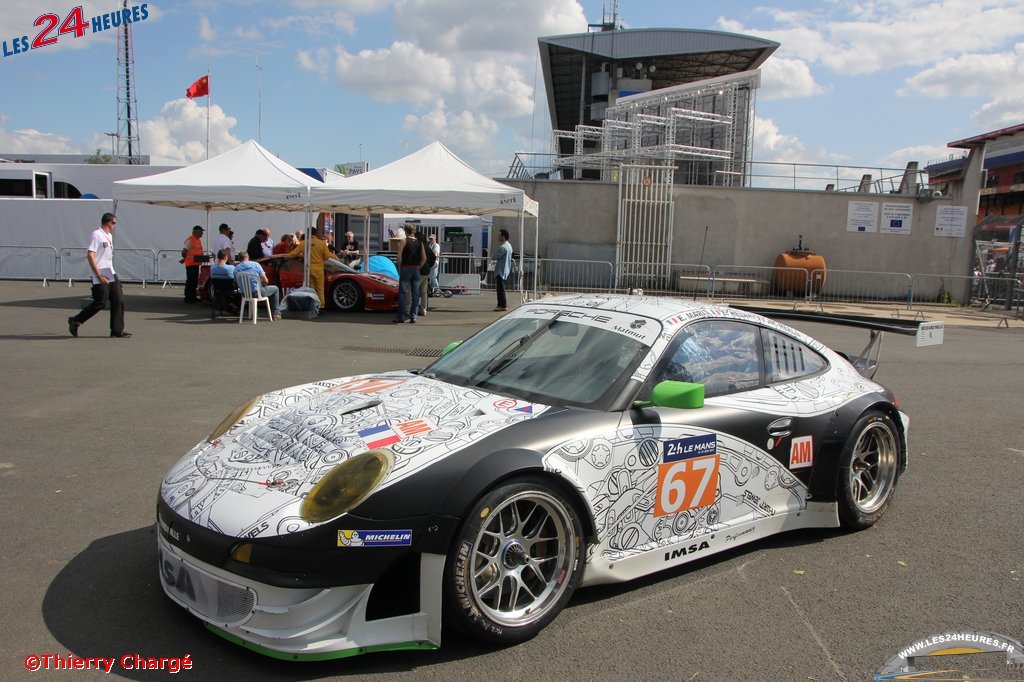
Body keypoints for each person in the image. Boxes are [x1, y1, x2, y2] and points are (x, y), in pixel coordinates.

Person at [68, 212, 131, 338]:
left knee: (118, 300)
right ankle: (76, 320)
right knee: (100, 302)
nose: (115, 226)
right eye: (114, 223)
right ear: (108, 222)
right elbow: (90, 255)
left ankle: (117, 330)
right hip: (100, 271)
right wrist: (98, 275)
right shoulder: (96, 235)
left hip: (110, 271)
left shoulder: (109, 236)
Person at [287, 223, 332, 307]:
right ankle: (321, 305)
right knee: (320, 289)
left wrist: (287, 255)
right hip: (319, 269)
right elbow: (327, 256)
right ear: (316, 234)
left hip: (308, 268)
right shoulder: (321, 243)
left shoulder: (304, 243)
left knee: (311, 289)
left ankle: (312, 305)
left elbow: (292, 254)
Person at [234, 251, 282, 320]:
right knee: (275, 289)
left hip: (245, 294)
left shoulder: (236, 268)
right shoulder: (256, 265)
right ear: (248, 257)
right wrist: (264, 284)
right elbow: (265, 280)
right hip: (257, 293)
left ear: (239, 258)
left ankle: (252, 314)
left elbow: (238, 283)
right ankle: (276, 313)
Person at [395, 224, 426, 323]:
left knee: (403, 293)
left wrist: (400, 268)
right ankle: (413, 316)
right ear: (413, 231)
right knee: (415, 294)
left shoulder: (404, 241)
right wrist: (418, 267)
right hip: (416, 269)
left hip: (405, 268)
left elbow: (399, 257)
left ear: (405, 231)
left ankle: (401, 316)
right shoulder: (419, 242)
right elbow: (424, 258)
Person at [181, 224, 205, 303]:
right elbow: (184, 251)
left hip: (195, 264)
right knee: (190, 281)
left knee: (194, 281)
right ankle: (188, 297)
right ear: (196, 231)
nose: (202, 233)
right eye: (201, 232)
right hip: (190, 264)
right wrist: (185, 258)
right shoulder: (190, 240)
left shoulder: (197, 240)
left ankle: (193, 296)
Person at [494, 228, 512, 312]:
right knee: (501, 288)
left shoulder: (503, 247)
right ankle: (500, 305)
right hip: (505, 269)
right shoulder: (509, 246)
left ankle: (503, 305)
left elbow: (495, 256)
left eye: (499, 235)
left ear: (503, 236)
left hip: (500, 270)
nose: (498, 236)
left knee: (500, 289)